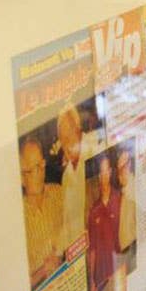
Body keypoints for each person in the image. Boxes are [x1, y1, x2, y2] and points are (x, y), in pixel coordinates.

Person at [21, 137, 65, 286]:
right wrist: (43, 271)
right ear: (21, 178)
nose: (40, 173)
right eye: (33, 169)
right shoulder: (18, 219)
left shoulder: (58, 193)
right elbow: (18, 285)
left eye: (41, 164)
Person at [87, 152, 122, 291]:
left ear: (111, 172)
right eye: (101, 173)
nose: (104, 176)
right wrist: (92, 281)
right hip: (101, 277)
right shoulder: (94, 210)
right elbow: (92, 250)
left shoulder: (120, 199)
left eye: (106, 171)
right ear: (98, 176)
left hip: (118, 271)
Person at [57, 105, 87, 250]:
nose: (66, 145)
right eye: (62, 140)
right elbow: (66, 223)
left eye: (69, 137)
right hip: (77, 254)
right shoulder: (66, 177)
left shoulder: (94, 152)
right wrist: (57, 253)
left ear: (79, 130)